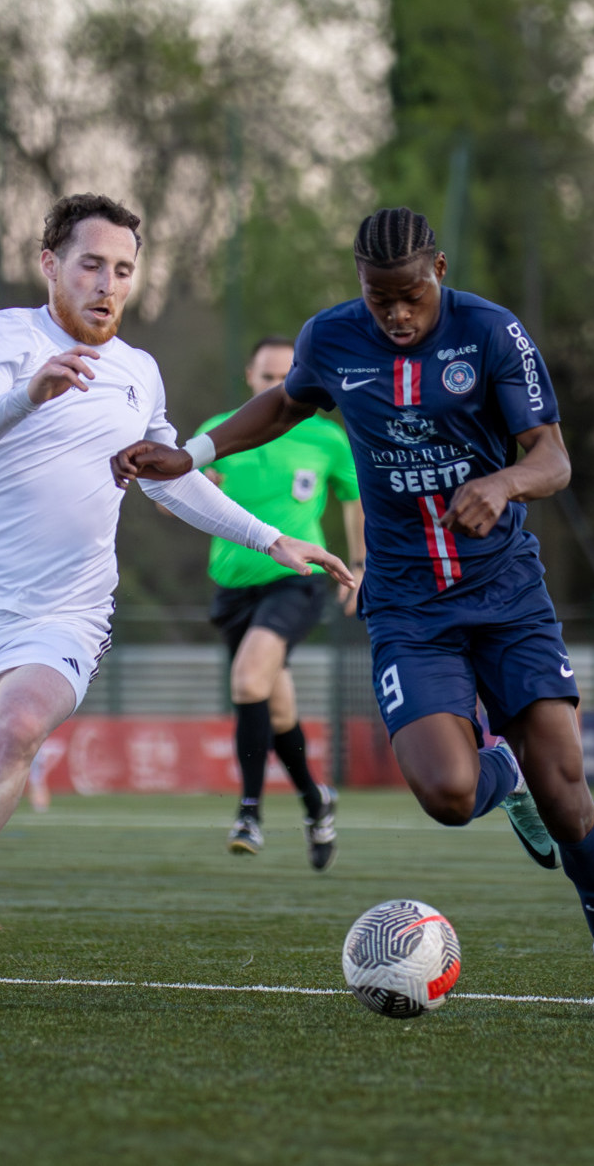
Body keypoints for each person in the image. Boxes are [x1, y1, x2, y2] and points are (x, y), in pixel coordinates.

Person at [113, 207, 594, 1021]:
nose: (395, 314)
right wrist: (196, 454)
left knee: (570, 797)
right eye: (379, 299)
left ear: (439, 268)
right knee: (445, 791)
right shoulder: (333, 338)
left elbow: (552, 454)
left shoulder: (492, 334)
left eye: (409, 295)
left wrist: (503, 483)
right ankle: (499, 775)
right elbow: (286, 404)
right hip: (405, 602)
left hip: (507, 592)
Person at [0, 194, 353, 969]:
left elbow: (167, 479)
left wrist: (272, 538)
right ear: (51, 264)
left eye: (124, 269)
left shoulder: (137, 373)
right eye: (92, 264)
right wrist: (31, 392)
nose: (108, 284)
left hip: (64, 609)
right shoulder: (3, 336)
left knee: (18, 727)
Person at [197, 335, 365, 869]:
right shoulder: (221, 432)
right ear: (250, 377)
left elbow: (353, 500)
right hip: (232, 586)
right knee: (276, 704)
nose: (275, 385)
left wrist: (358, 565)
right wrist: (190, 481)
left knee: (248, 680)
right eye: (266, 377)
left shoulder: (327, 437)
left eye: (285, 376)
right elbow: (177, 496)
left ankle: (249, 810)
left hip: (296, 581)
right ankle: (317, 804)